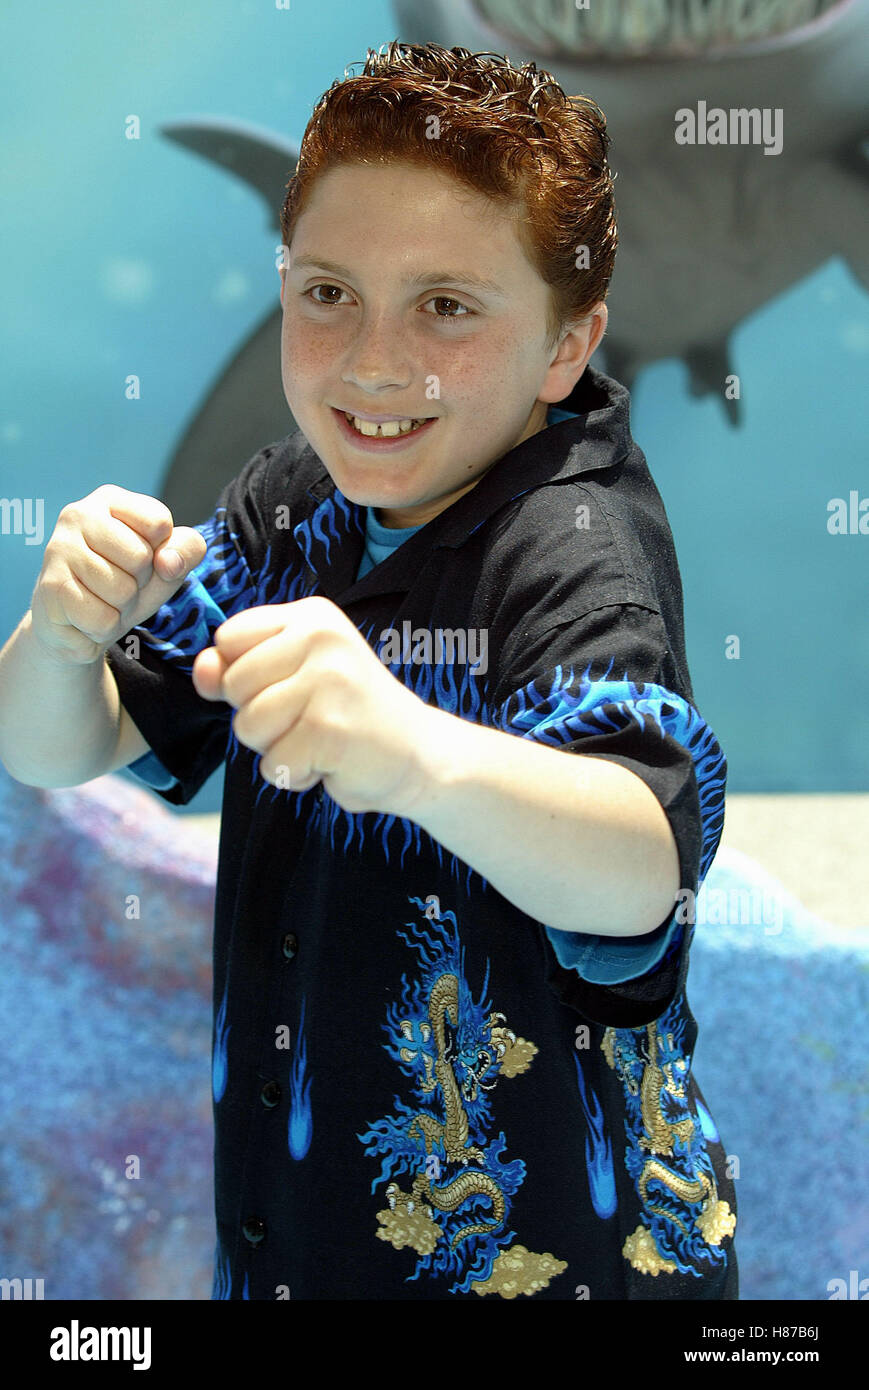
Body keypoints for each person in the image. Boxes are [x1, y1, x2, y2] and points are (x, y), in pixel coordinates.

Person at [0, 42, 737, 1300]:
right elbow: (57, 745)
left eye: (446, 305)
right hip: (304, 1234)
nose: (373, 362)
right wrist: (58, 638)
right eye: (328, 292)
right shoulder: (296, 500)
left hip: (564, 1267)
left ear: (568, 345)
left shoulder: (574, 549)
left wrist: (412, 752)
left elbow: (638, 865)